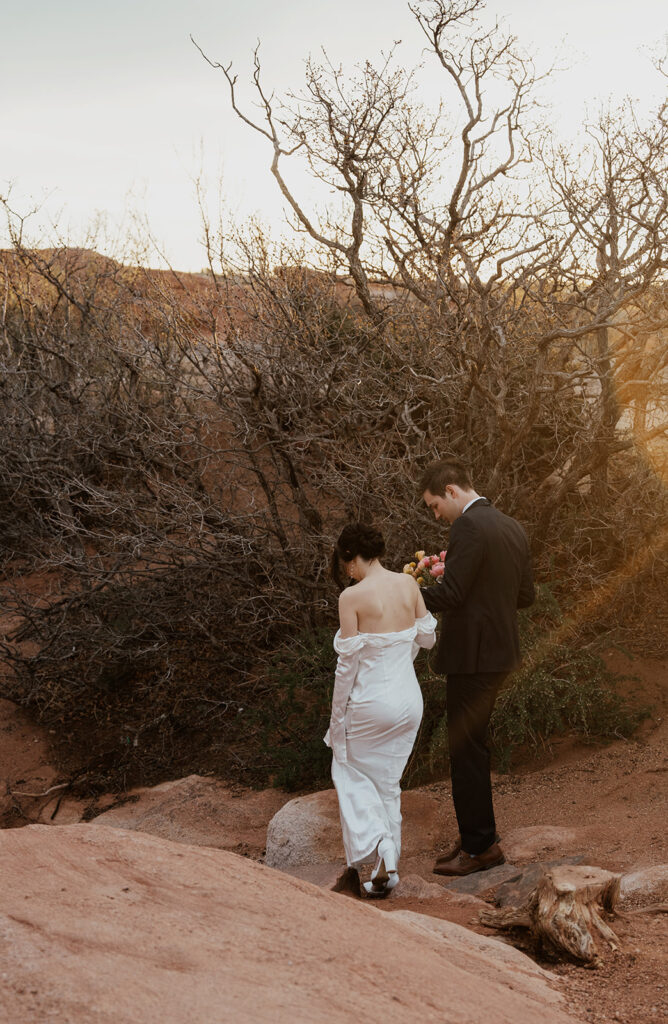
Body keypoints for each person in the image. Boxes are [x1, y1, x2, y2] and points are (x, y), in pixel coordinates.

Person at [419, 458, 535, 877]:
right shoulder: (511, 526)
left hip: (472, 656)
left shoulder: (467, 527)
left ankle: (481, 847)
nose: (436, 514)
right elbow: (526, 595)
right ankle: (475, 838)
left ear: (451, 491)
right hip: (500, 653)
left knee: (465, 750)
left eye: (434, 505)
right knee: (471, 747)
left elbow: (450, 593)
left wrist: (403, 592)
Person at [325, 523, 437, 898]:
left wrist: (336, 721)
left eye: (346, 564)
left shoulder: (351, 597)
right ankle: (385, 868)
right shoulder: (408, 585)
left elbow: (347, 669)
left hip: (372, 704)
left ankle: (380, 845)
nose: (347, 572)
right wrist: (400, 652)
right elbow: (428, 637)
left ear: (350, 557)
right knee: (387, 783)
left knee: (347, 768)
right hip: (409, 701)